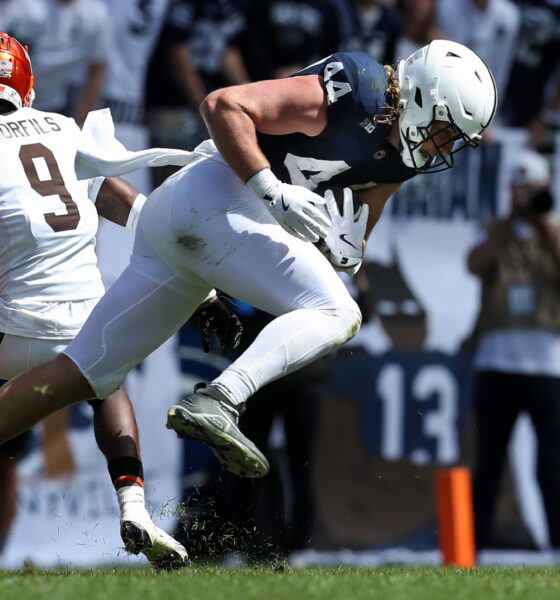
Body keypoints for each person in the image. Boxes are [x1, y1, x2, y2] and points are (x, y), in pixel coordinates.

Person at [0, 39, 497, 486]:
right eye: (444, 131)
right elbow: (223, 105)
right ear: (419, 97)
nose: (442, 148)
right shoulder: (357, 87)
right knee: (339, 313)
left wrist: (347, 252)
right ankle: (220, 399)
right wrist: (271, 189)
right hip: (215, 194)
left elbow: (351, 233)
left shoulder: (401, 156)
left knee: (84, 372)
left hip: (194, 225)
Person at [0, 32, 242, 565]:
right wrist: (203, 292)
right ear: (27, 88)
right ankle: (133, 503)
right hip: (84, 326)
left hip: (13, 332)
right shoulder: (61, 129)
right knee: (107, 381)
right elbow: (126, 203)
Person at [466, 148, 560, 549]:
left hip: (548, 365)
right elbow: (474, 264)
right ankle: (475, 545)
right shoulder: (493, 228)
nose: (525, 194)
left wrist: (543, 223)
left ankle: (557, 543)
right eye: (519, 187)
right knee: (489, 460)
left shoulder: (554, 229)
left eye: (532, 188)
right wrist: (509, 221)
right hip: (497, 361)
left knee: (553, 463)